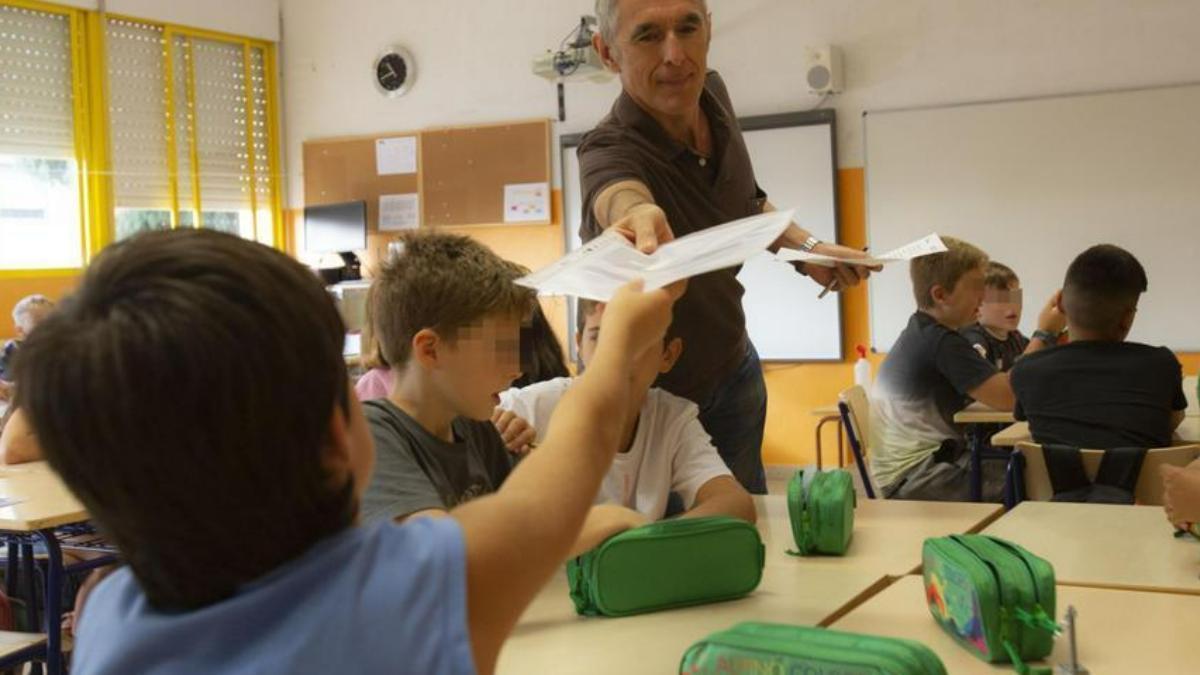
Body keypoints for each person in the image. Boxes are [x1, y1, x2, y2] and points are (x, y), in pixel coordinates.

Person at [14, 228, 681, 674]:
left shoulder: (108, 613)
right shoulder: (404, 592)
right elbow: (574, 457)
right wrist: (620, 342)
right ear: (339, 437)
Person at [579, 0, 874, 493]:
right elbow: (618, 196)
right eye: (649, 35)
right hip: (653, 400)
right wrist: (638, 215)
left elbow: (747, 202)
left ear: (708, 30)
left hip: (734, 368)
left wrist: (809, 251)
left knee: (746, 531)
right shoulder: (608, 148)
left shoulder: (712, 94)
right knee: (678, 552)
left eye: (687, 28)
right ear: (607, 53)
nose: (675, 54)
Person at [360, 231, 650, 553]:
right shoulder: (372, 435)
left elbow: (540, 516)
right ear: (431, 350)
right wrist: (605, 519)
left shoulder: (479, 432)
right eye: (502, 348)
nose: (518, 368)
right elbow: (450, 554)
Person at [498, 298, 755, 522]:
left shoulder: (672, 418)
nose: (618, 354)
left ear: (668, 354)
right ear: (579, 344)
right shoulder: (531, 407)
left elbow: (734, 503)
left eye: (639, 337)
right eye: (599, 336)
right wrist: (487, 435)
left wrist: (640, 543)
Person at [870, 237, 1061, 501]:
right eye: (976, 288)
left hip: (920, 468)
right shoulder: (941, 342)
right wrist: (1045, 333)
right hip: (919, 476)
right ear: (941, 295)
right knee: (1040, 479)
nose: (984, 297)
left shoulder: (928, 332)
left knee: (1033, 467)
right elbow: (1008, 396)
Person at [1011, 245, 1187, 449]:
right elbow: (1172, 421)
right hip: (1143, 481)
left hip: (1052, 481)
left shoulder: (1027, 370)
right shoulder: (1161, 364)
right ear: (1127, 317)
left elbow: (1024, 420)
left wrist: (1044, 332)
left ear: (1059, 302)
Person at [960, 262, 1030, 371]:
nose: (1013, 305)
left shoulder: (1016, 338)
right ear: (976, 305)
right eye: (1001, 299)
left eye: (1015, 297)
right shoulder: (974, 339)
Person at [0, 294, 54, 383]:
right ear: (20, 331)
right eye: (39, 323)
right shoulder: (12, 353)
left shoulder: (66, 350)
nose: (49, 327)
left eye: (52, 321)